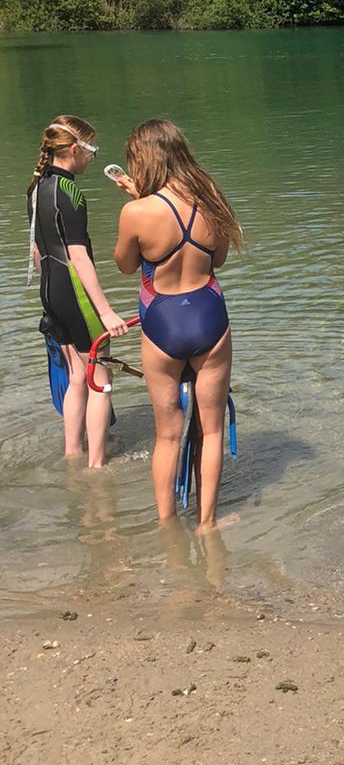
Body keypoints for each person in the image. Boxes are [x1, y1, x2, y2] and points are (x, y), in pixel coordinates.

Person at [113, 120, 241, 531]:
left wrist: (140, 202)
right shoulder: (212, 197)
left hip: (162, 321)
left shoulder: (136, 212)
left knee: (167, 435)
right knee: (212, 430)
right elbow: (218, 260)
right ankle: (207, 525)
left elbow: (125, 266)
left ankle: (168, 527)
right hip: (208, 315)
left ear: (143, 161)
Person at [26, 116, 129, 467]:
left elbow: (38, 252)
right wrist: (105, 311)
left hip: (50, 291)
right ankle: (97, 467)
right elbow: (78, 256)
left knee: (75, 376)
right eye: (92, 150)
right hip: (75, 294)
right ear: (74, 149)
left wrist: (52, 298)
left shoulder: (35, 188)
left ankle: (72, 454)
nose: (92, 157)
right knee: (100, 379)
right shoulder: (70, 192)